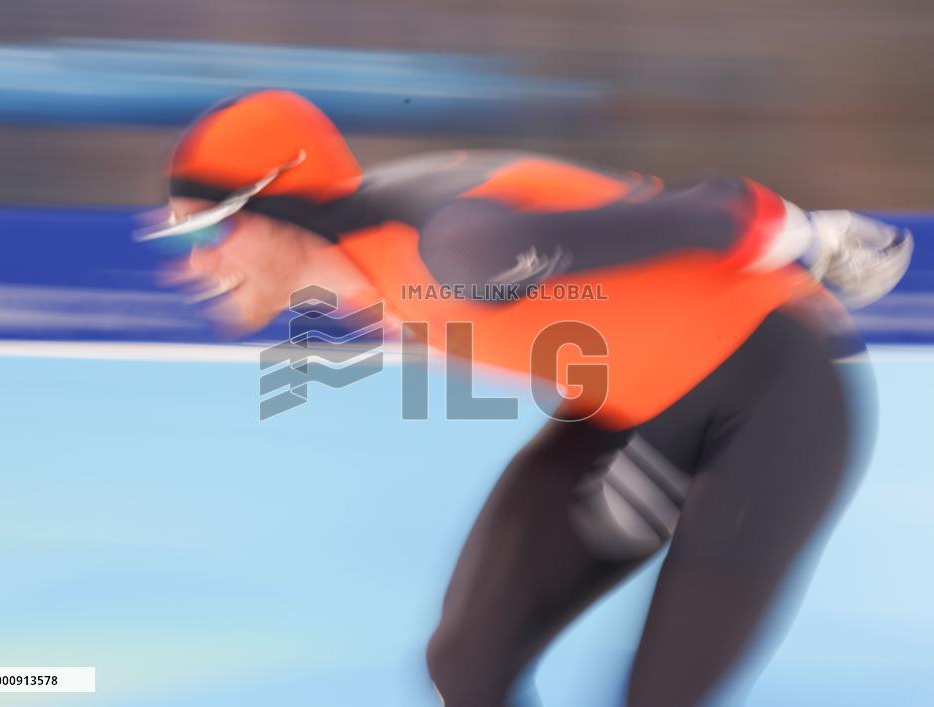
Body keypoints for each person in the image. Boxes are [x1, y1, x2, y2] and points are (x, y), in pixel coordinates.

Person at [136, 90, 912, 706]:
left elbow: (697, 212)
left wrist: (815, 236)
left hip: (778, 398)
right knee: (466, 667)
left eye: (205, 231)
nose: (194, 262)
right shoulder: (351, 269)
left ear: (280, 208)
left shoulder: (457, 246)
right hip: (636, 413)